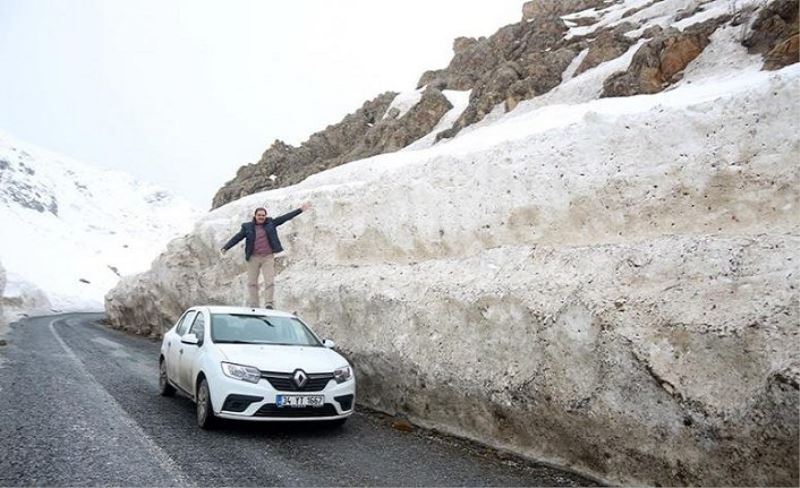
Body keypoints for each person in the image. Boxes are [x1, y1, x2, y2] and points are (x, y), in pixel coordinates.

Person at [220, 203, 311, 309]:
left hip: (267, 257)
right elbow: (237, 237)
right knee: (252, 282)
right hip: (253, 258)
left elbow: (285, 217)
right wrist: (226, 247)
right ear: (255, 216)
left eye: (263, 215)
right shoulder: (247, 226)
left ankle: (269, 303)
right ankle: (254, 304)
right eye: (259, 215)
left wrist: (300, 210)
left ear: (266, 216)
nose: (261, 217)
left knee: (270, 281)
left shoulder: (271, 223)